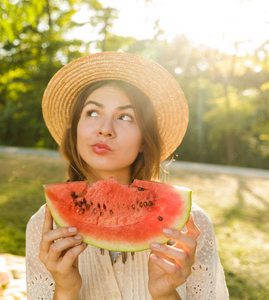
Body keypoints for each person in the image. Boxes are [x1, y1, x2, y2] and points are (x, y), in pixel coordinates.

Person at [25, 52, 229, 299]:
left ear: (144, 140)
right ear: (76, 127)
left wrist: (165, 294)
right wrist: (66, 289)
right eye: (92, 113)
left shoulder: (188, 227)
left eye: (125, 117)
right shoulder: (44, 227)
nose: (105, 129)